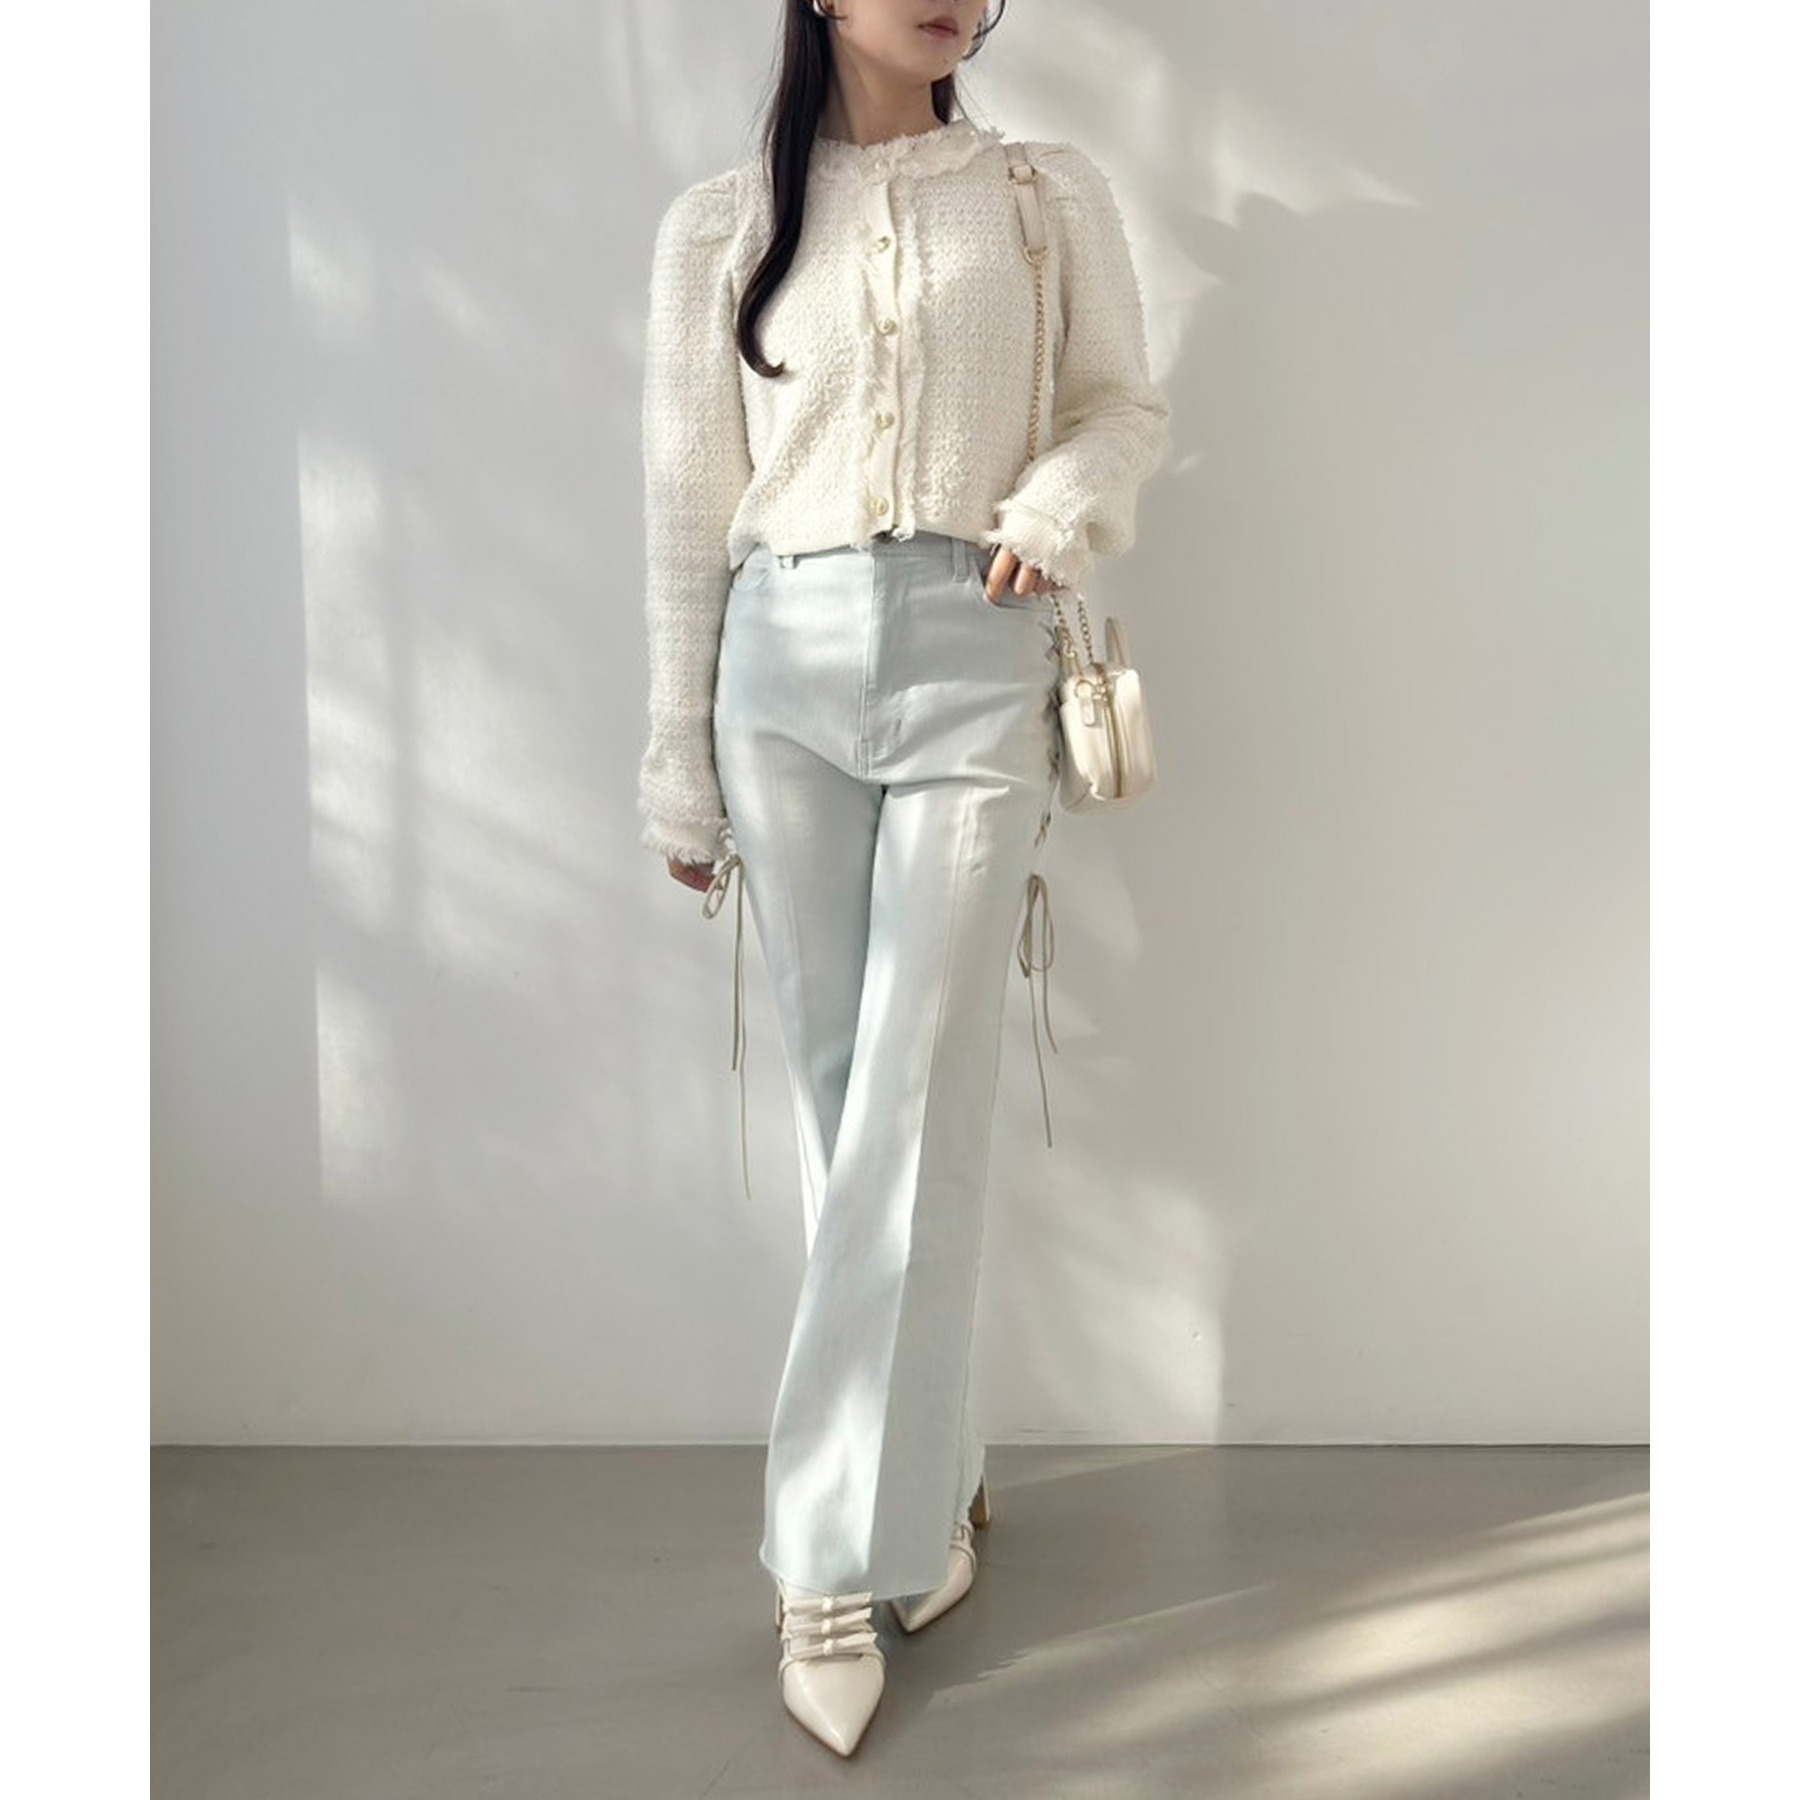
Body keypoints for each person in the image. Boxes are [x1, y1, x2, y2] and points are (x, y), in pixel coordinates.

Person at [635, 0, 1171, 1758]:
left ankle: (823, 1562)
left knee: (918, 1099)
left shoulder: (1044, 193)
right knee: (841, 1104)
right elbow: (686, 503)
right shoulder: (722, 224)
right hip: (777, 673)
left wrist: (1054, 508)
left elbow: (1117, 406)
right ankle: (930, 1487)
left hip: (976, 655)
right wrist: (677, 760)